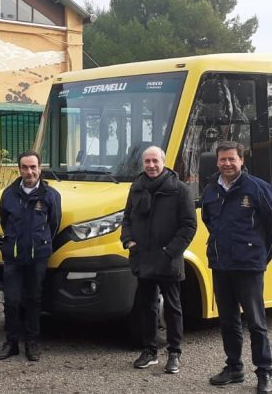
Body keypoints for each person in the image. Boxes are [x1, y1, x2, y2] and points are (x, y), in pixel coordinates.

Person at [201, 141, 272, 394]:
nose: (227, 164)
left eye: (232, 159)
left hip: (249, 267)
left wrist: (262, 256)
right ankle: (234, 368)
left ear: (241, 160)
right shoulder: (211, 189)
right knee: (228, 320)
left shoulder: (257, 188)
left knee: (256, 322)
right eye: (222, 159)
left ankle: (264, 371)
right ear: (217, 162)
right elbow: (209, 220)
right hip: (221, 265)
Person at [120, 146, 197, 374]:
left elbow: (189, 226)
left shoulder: (180, 190)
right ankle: (150, 350)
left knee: (172, 308)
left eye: (155, 161)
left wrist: (170, 251)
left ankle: (174, 353)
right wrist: (128, 240)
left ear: (163, 162)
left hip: (167, 259)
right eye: (147, 161)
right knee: (147, 307)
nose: (151, 165)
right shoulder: (137, 187)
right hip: (143, 257)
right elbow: (127, 218)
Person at [0, 151, 60, 362]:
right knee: (11, 301)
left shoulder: (50, 195)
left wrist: (39, 242)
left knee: (33, 299)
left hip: (37, 256)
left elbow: (54, 224)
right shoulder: (9, 194)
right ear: (19, 169)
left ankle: (31, 342)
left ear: (40, 168)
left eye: (33, 167)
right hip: (13, 257)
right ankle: (11, 342)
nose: (29, 171)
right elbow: (5, 221)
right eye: (25, 167)